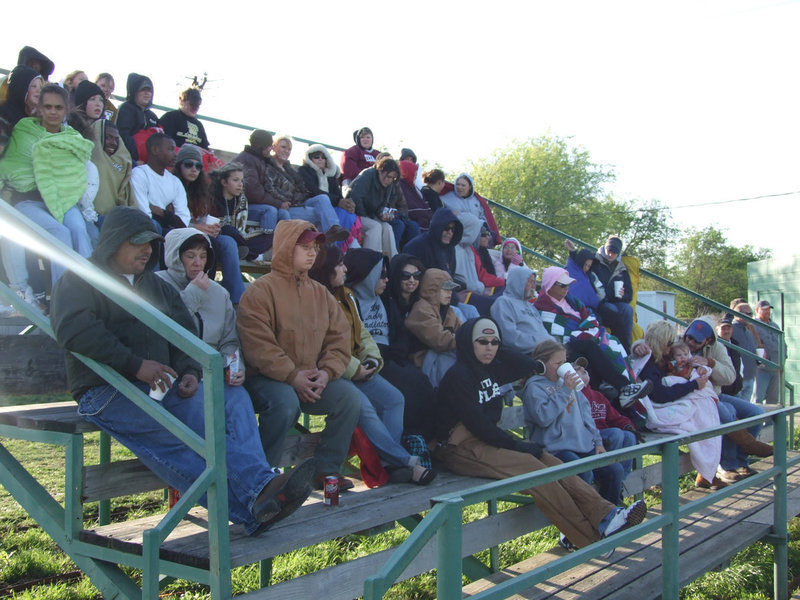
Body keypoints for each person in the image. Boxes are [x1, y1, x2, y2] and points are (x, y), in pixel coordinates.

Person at [49, 207, 315, 536]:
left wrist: (189, 370)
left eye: (150, 243)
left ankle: (261, 497)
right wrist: (136, 365)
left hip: (160, 385)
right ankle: (256, 501)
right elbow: (76, 331)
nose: (147, 250)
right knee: (177, 441)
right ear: (112, 243)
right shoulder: (79, 279)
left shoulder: (154, 286)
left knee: (212, 422)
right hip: (105, 389)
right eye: (137, 242)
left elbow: (183, 332)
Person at [435, 317, 647, 552]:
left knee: (554, 464)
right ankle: (593, 539)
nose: (489, 348)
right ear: (467, 343)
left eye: (495, 342)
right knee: (534, 470)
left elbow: (520, 363)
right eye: (482, 341)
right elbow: (478, 425)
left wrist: (538, 366)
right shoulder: (458, 377)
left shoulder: (492, 367)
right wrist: (518, 445)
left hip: (486, 438)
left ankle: (607, 515)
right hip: (458, 445)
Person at [237, 220, 361, 490]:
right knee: (284, 404)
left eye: (314, 247)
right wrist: (292, 377)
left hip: (312, 379)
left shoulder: (321, 294)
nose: (312, 253)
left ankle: (325, 471)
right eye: (304, 247)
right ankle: (259, 480)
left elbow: (339, 339)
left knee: (350, 397)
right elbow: (258, 346)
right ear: (284, 248)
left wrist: (326, 373)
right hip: (267, 380)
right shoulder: (260, 291)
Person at [310, 247, 436, 485]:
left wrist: (372, 360)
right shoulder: (316, 300)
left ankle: (389, 463)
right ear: (326, 269)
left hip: (360, 367)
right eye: (339, 264)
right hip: (335, 371)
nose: (345, 268)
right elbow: (322, 346)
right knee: (364, 407)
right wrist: (354, 368)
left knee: (394, 399)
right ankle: (405, 461)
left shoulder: (346, 295)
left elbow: (364, 334)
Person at [0, 84, 94, 285]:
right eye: (48, 107)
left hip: (64, 198)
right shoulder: (24, 129)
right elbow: (12, 164)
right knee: (60, 232)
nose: (53, 112)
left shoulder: (73, 139)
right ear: (39, 108)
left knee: (79, 231)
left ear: (66, 109)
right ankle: (61, 298)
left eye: (58, 107)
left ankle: (89, 292)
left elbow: (74, 173)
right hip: (28, 200)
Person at [523, 340, 629, 505]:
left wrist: (598, 442)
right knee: (584, 473)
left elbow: (587, 415)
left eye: (564, 362)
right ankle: (590, 522)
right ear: (541, 364)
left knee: (614, 471)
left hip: (581, 444)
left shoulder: (567, 383)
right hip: (555, 448)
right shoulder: (534, 388)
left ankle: (613, 514)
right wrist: (565, 390)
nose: (562, 367)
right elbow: (543, 418)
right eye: (557, 363)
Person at [533, 267, 651, 408]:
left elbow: (590, 317)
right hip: (564, 349)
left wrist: (584, 332)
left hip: (586, 342)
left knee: (612, 344)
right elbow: (555, 334)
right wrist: (582, 333)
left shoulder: (572, 301)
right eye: (562, 285)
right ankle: (624, 387)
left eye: (568, 284)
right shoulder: (542, 307)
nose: (566, 288)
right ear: (550, 285)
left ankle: (621, 397)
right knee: (589, 346)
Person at [629, 321, 724, 489]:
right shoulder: (648, 365)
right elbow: (660, 395)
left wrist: (700, 370)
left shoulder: (664, 358)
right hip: (656, 409)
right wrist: (694, 386)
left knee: (714, 409)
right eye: (669, 343)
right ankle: (708, 469)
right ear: (662, 343)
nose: (672, 346)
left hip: (678, 397)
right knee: (710, 412)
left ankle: (711, 468)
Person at [681, 317, 773, 483]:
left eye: (697, 340)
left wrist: (710, 363)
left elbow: (730, 377)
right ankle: (728, 465)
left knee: (756, 412)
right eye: (690, 337)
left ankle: (740, 461)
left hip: (714, 394)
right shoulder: (677, 345)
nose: (691, 342)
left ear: (708, 340)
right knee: (727, 413)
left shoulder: (717, 348)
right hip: (695, 398)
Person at [156, 228, 242, 375]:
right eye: (190, 256)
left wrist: (235, 367)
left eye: (203, 256)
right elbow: (164, 330)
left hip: (215, 373)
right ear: (175, 257)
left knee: (240, 398)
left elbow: (230, 341)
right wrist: (193, 294)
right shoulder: (157, 284)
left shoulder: (220, 293)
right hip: (176, 372)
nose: (198, 263)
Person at [173, 145, 245, 304]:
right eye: (188, 164)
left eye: (198, 166)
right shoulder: (171, 183)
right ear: (179, 165)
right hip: (178, 232)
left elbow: (203, 216)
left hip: (200, 231)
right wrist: (197, 227)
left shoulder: (201, 190)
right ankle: (204, 288)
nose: (194, 169)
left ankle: (237, 299)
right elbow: (172, 220)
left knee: (228, 241)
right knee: (209, 243)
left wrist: (212, 227)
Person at [379, 254, 438, 439]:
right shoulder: (387, 301)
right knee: (415, 384)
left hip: (412, 355)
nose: (412, 280)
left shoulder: (420, 303)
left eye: (416, 275)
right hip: (392, 357)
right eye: (405, 276)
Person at [265, 134, 344, 238]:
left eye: (289, 149)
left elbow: (302, 189)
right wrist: (281, 201)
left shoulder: (289, 169)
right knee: (321, 214)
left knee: (322, 199)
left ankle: (334, 229)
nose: (286, 151)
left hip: (300, 203)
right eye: (283, 147)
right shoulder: (269, 166)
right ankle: (325, 244)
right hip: (285, 206)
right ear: (274, 147)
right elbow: (269, 188)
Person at [405, 269, 462, 387]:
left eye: (451, 289)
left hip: (443, 354)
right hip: (426, 360)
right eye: (446, 289)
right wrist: (468, 340)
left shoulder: (448, 310)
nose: (450, 293)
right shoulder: (421, 309)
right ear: (432, 289)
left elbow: (464, 329)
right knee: (460, 369)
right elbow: (440, 341)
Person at [298, 144, 360, 249]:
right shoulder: (304, 171)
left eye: (323, 157)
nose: (320, 159)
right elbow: (313, 191)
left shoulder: (330, 175)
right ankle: (333, 231)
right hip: (310, 203)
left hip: (328, 207)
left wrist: (347, 204)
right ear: (309, 158)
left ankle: (344, 246)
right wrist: (338, 201)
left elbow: (338, 196)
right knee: (323, 198)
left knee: (347, 213)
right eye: (316, 156)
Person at [130, 133, 190, 234]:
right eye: (170, 149)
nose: (175, 155)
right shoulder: (139, 174)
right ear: (155, 150)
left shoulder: (175, 181)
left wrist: (162, 213)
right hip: (146, 229)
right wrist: (170, 216)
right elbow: (144, 213)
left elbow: (183, 219)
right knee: (154, 226)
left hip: (171, 230)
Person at [232, 129, 287, 233]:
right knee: (271, 211)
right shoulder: (247, 160)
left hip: (256, 203)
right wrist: (279, 203)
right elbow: (253, 192)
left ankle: (284, 245)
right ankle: (267, 244)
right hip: (241, 206)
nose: (271, 148)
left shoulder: (261, 159)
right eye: (269, 145)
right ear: (262, 146)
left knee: (284, 214)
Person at [347, 156, 402, 257]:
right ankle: (371, 263)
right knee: (375, 226)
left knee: (387, 227)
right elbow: (355, 197)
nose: (390, 180)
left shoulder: (389, 185)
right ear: (380, 171)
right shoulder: (368, 175)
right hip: (353, 212)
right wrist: (367, 215)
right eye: (389, 176)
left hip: (369, 215)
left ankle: (393, 263)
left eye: (393, 178)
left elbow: (381, 206)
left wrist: (382, 215)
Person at [591, 236, 634, 353]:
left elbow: (629, 295)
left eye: (614, 252)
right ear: (605, 248)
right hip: (600, 301)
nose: (611, 254)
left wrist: (623, 295)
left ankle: (626, 349)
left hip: (617, 301)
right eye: (609, 250)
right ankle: (618, 347)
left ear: (618, 253)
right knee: (612, 310)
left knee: (628, 310)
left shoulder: (622, 269)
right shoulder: (595, 262)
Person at [88, 119, 136, 217]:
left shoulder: (123, 163)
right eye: (108, 138)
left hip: (114, 217)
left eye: (116, 139)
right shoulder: (87, 159)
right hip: (90, 215)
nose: (113, 143)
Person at [439, 173, 500, 244]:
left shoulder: (477, 201)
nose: (459, 187)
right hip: (456, 237)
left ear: (470, 186)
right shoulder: (446, 198)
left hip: (476, 238)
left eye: (463, 185)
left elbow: (483, 218)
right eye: (458, 184)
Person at [116, 73, 158, 164]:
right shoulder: (126, 108)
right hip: (129, 159)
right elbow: (123, 135)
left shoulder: (153, 116)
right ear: (135, 91)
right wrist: (135, 158)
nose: (147, 93)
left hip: (150, 161)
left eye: (149, 90)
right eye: (143, 89)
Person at [753, 300, 785, 404]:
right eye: (764, 309)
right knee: (758, 398)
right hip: (761, 369)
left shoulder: (775, 325)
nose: (767, 311)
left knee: (773, 400)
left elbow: (783, 343)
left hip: (776, 368)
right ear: (757, 310)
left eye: (768, 309)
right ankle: (756, 420)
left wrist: (784, 357)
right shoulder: (753, 325)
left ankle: (770, 421)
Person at [731, 302, 760, 402]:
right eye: (749, 314)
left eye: (751, 314)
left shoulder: (748, 330)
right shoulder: (731, 329)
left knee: (746, 408)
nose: (751, 317)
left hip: (750, 376)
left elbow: (754, 348)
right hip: (738, 379)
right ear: (739, 314)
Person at [564, 239, 602, 311]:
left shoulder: (590, 276)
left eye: (589, 266)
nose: (586, 268)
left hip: (586, 308)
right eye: (585, 264)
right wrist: (573, 251)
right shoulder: (571, 268)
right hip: (569, 305)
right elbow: (573, 262)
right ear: (581, 261)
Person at [399, 160, 434, 232]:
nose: (415, 177)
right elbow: (410, 208)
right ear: (407, 173)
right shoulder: (401, 185)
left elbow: (425, 205)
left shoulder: (414, 187)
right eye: (414, 174)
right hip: (410, 220)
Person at [716, 314, 743, 397]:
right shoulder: (714, 346)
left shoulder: (735, 344)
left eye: (729, 328)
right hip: (722, 392)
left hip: (736, 389)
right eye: (723, 329)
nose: (726, 331)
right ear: (717, 329)